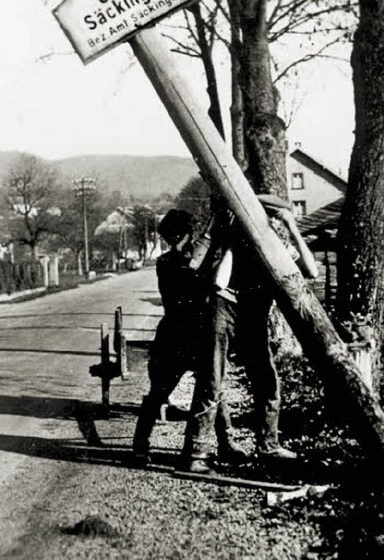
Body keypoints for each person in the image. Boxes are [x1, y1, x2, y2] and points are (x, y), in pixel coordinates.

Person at [182, 195, 318, 473]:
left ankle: (269, 446)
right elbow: (212, 276)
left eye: (273, 219)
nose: (268, 224)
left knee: (267, 382)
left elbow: (312, 270)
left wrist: (292, 228)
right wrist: (228, 236)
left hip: (254, 315)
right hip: (224, 306)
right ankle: (195, 454)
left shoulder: (277, 245)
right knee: (211, 379)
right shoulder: (233, 237)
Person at [131, 209, 244, 466]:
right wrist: (216, 232)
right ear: (186, 234)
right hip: (180, 335)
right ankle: (140, 447)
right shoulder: (171, 263)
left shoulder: (172, 260)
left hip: (185, 334)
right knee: (163, 393)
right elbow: (200, 271)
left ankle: (226, 443)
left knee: (211, 389)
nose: (184, 239)